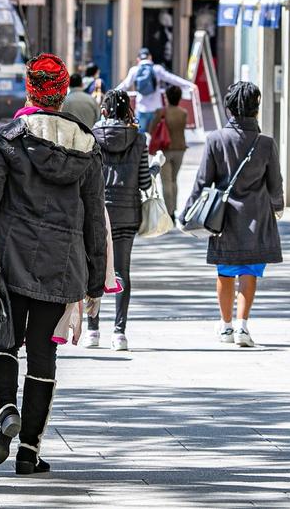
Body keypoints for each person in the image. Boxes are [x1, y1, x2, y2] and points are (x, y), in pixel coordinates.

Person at [0, 53, 106, 475]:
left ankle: (6, 410)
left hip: (10, 260)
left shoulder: (6, 137)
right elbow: (94, 218)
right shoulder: (86, 144)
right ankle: (29, 452)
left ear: (30, 90)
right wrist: (97, 280)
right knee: (44, 354)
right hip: (64, 265)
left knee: (2, 342)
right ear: (62, 93)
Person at [181, 81, 284, 348]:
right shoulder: (265, 143)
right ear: (256, 109)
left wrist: (186, 212)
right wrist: (278, 206)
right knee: (250, 270)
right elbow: (275, 183)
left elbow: (202, 181)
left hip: (222, 218)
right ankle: (242, 326)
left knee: (225, 271)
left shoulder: (215, 139)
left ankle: (226, 327)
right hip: (257, 216)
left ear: (228, 107)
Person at [83, 90, 162, 351]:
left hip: (97, 212)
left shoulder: (91, 137)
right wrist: (154, 168)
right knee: (121, 272)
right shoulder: (138, 140)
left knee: (94, 269)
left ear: (103, 111)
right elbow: (143, 183)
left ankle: (92, 330)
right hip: (128, 212)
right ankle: (119, 333)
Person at [116, 47, 195, 133]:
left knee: (138, 135)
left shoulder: (134, 70)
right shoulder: (157, 69)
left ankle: (142, 146)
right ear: (150, 57)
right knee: (156, 135)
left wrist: (113, 92)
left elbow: (125, 85)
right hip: (156, 109)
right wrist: (189, 84)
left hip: (141, 108)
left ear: (138, 59)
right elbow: (172, 79)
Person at [148, 85, 188, 218]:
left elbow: (151, 129)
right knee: (174, 180)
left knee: (166, 181)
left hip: (165, 150)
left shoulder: (161, 112)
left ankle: (169, 212)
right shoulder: (183, 112)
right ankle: (174, 209)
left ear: (167, 97)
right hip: (180, 149)